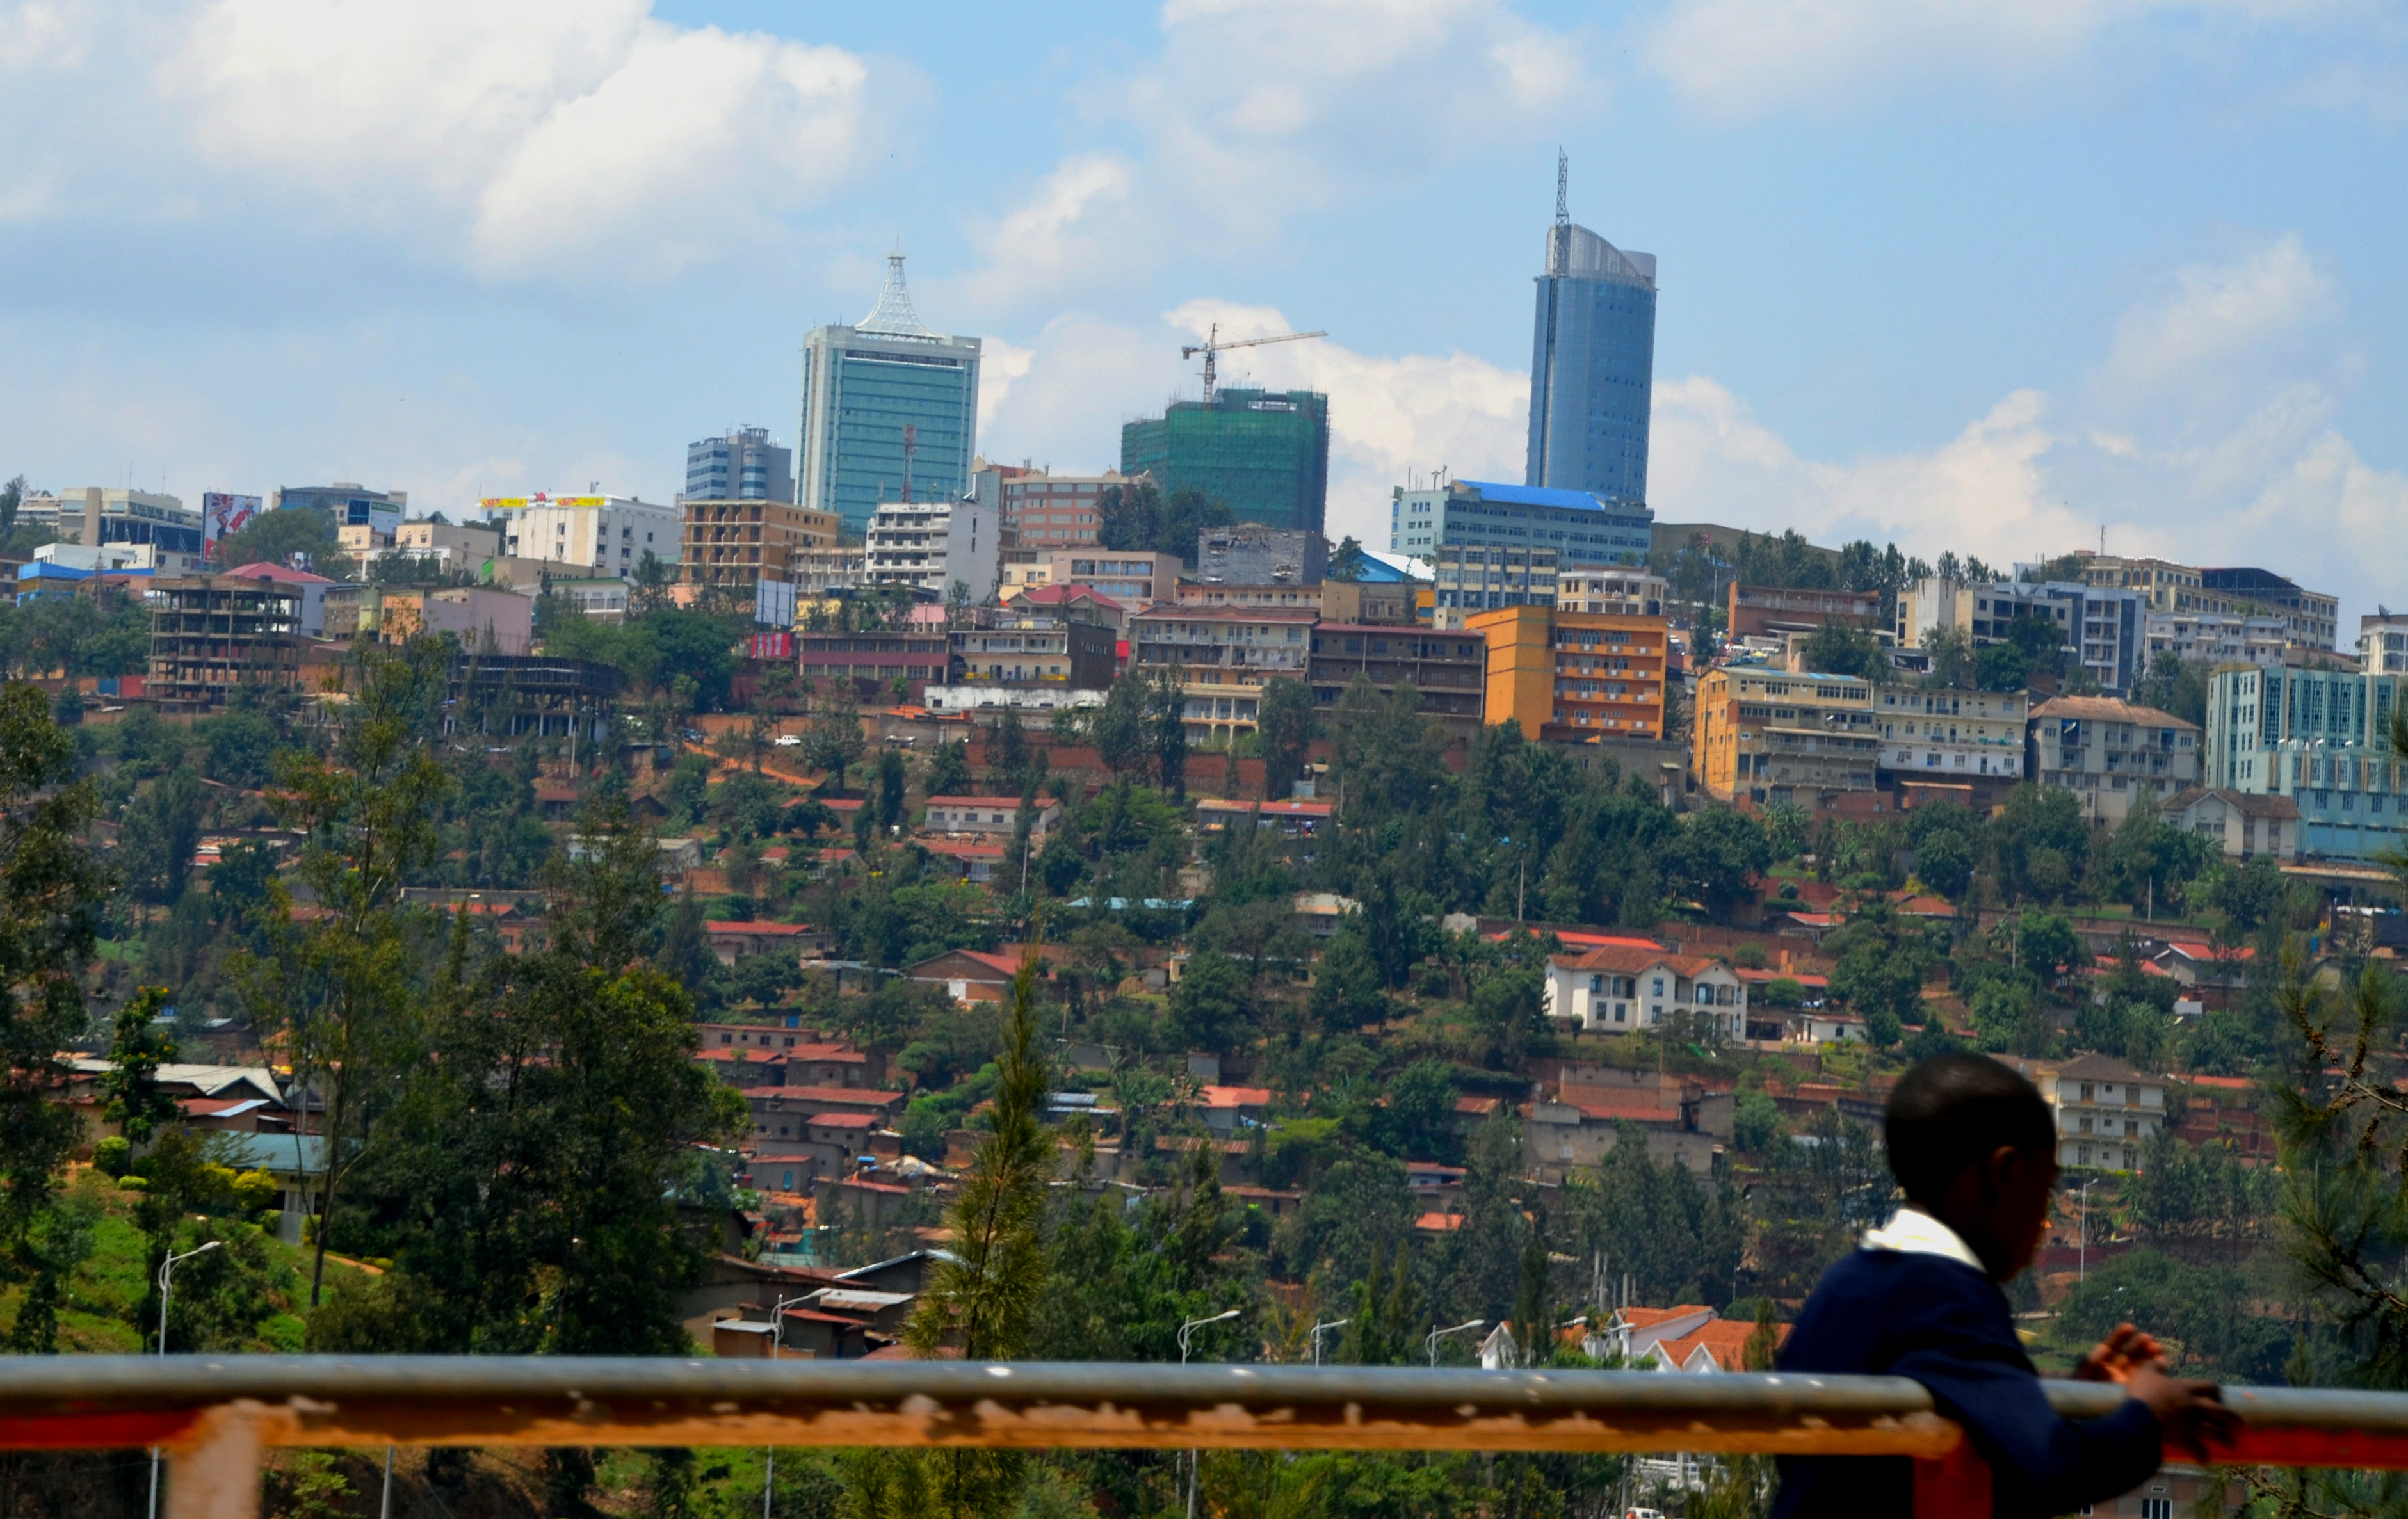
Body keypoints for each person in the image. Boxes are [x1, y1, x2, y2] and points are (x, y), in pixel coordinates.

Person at [1772, 1052, 2236, 1519]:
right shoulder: (1946, 1298)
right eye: (2045, 1187)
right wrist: (2149, 1415)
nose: (2045, 1217)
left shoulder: (1846, 1284)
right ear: (2006, 1173)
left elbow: (1995, 1477)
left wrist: (2055, 1413)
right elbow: (2050, 1472)